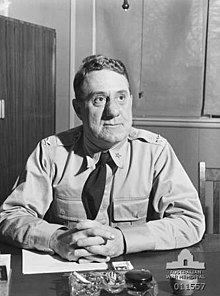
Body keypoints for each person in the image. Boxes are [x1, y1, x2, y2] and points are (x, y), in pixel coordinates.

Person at [0, 55, 205, 263]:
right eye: (99, 99)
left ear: (131, 102)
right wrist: (55, 239)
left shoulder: (155, 152)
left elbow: (190, 221)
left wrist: (123, 239)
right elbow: (10, 217)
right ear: (78, 109)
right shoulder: (51, 152)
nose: (113, 111)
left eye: (121, 98)